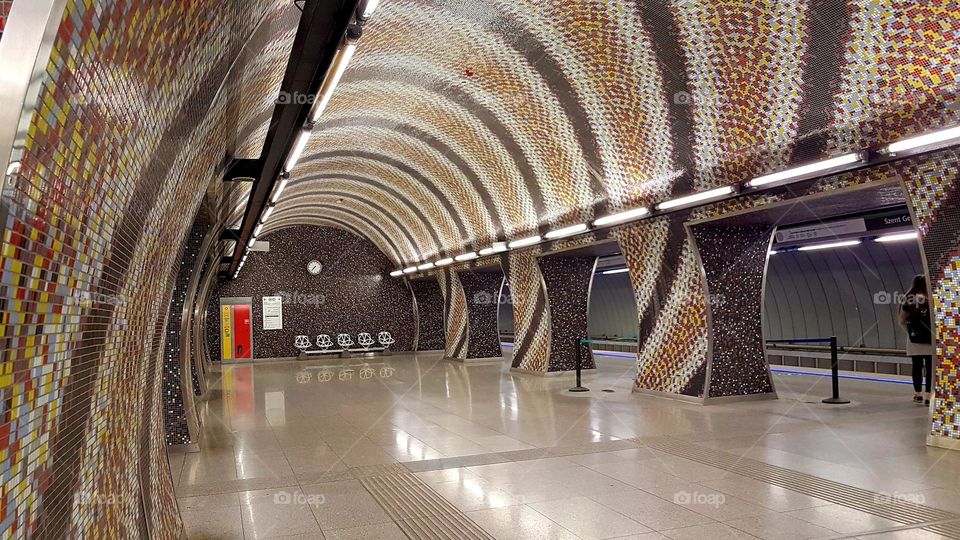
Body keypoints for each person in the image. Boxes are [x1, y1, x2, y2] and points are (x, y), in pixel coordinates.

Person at [899, 275, 934, 405]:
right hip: (930, 340)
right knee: (930, 368)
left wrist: (911, 333)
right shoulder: (932, 298)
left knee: (917, 366)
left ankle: (918, 394)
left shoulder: (908, 300)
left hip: (914, 341)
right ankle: (928, 396)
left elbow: (902, 320)